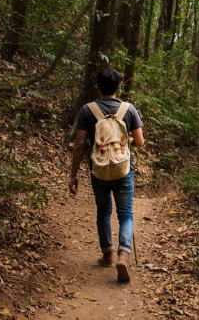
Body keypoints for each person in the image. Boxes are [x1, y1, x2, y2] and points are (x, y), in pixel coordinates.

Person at [69, 69, 144, 282]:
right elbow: (139, 141)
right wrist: (126, 141)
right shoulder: (129, 110)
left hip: (99, 170)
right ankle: (123, 254)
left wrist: (73, 175)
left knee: (103, 212)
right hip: (123, 171)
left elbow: (80, 144)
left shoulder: (87, 110)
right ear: (119, 87)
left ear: (98, 86)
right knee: (126, 214)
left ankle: (107, 254)